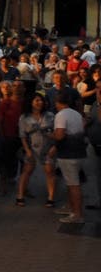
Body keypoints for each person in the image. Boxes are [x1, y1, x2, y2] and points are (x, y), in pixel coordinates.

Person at [50, 88, 87, 224]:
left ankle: (77, 214)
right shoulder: (76, 114)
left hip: (68, 154)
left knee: (73, 185)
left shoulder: (61, 115)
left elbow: (60, 135)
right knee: (72, 182)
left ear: (57, 102)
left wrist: (51, 135)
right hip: (79, 153)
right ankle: (71, 207)